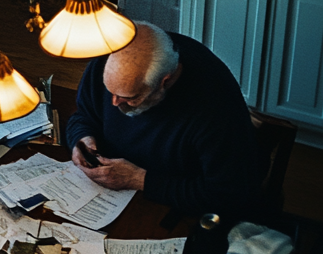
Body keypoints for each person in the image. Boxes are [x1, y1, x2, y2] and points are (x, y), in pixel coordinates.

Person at [67, 22, 263, 215]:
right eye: (110, 90)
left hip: (175, 207)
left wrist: (139, 179)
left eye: (131, 98)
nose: (114, 103)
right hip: (105, 193)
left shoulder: (216, 110)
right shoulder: (105, 62)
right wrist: (81, 139)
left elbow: (228, 195)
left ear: (165, 82)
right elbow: (84, 115)